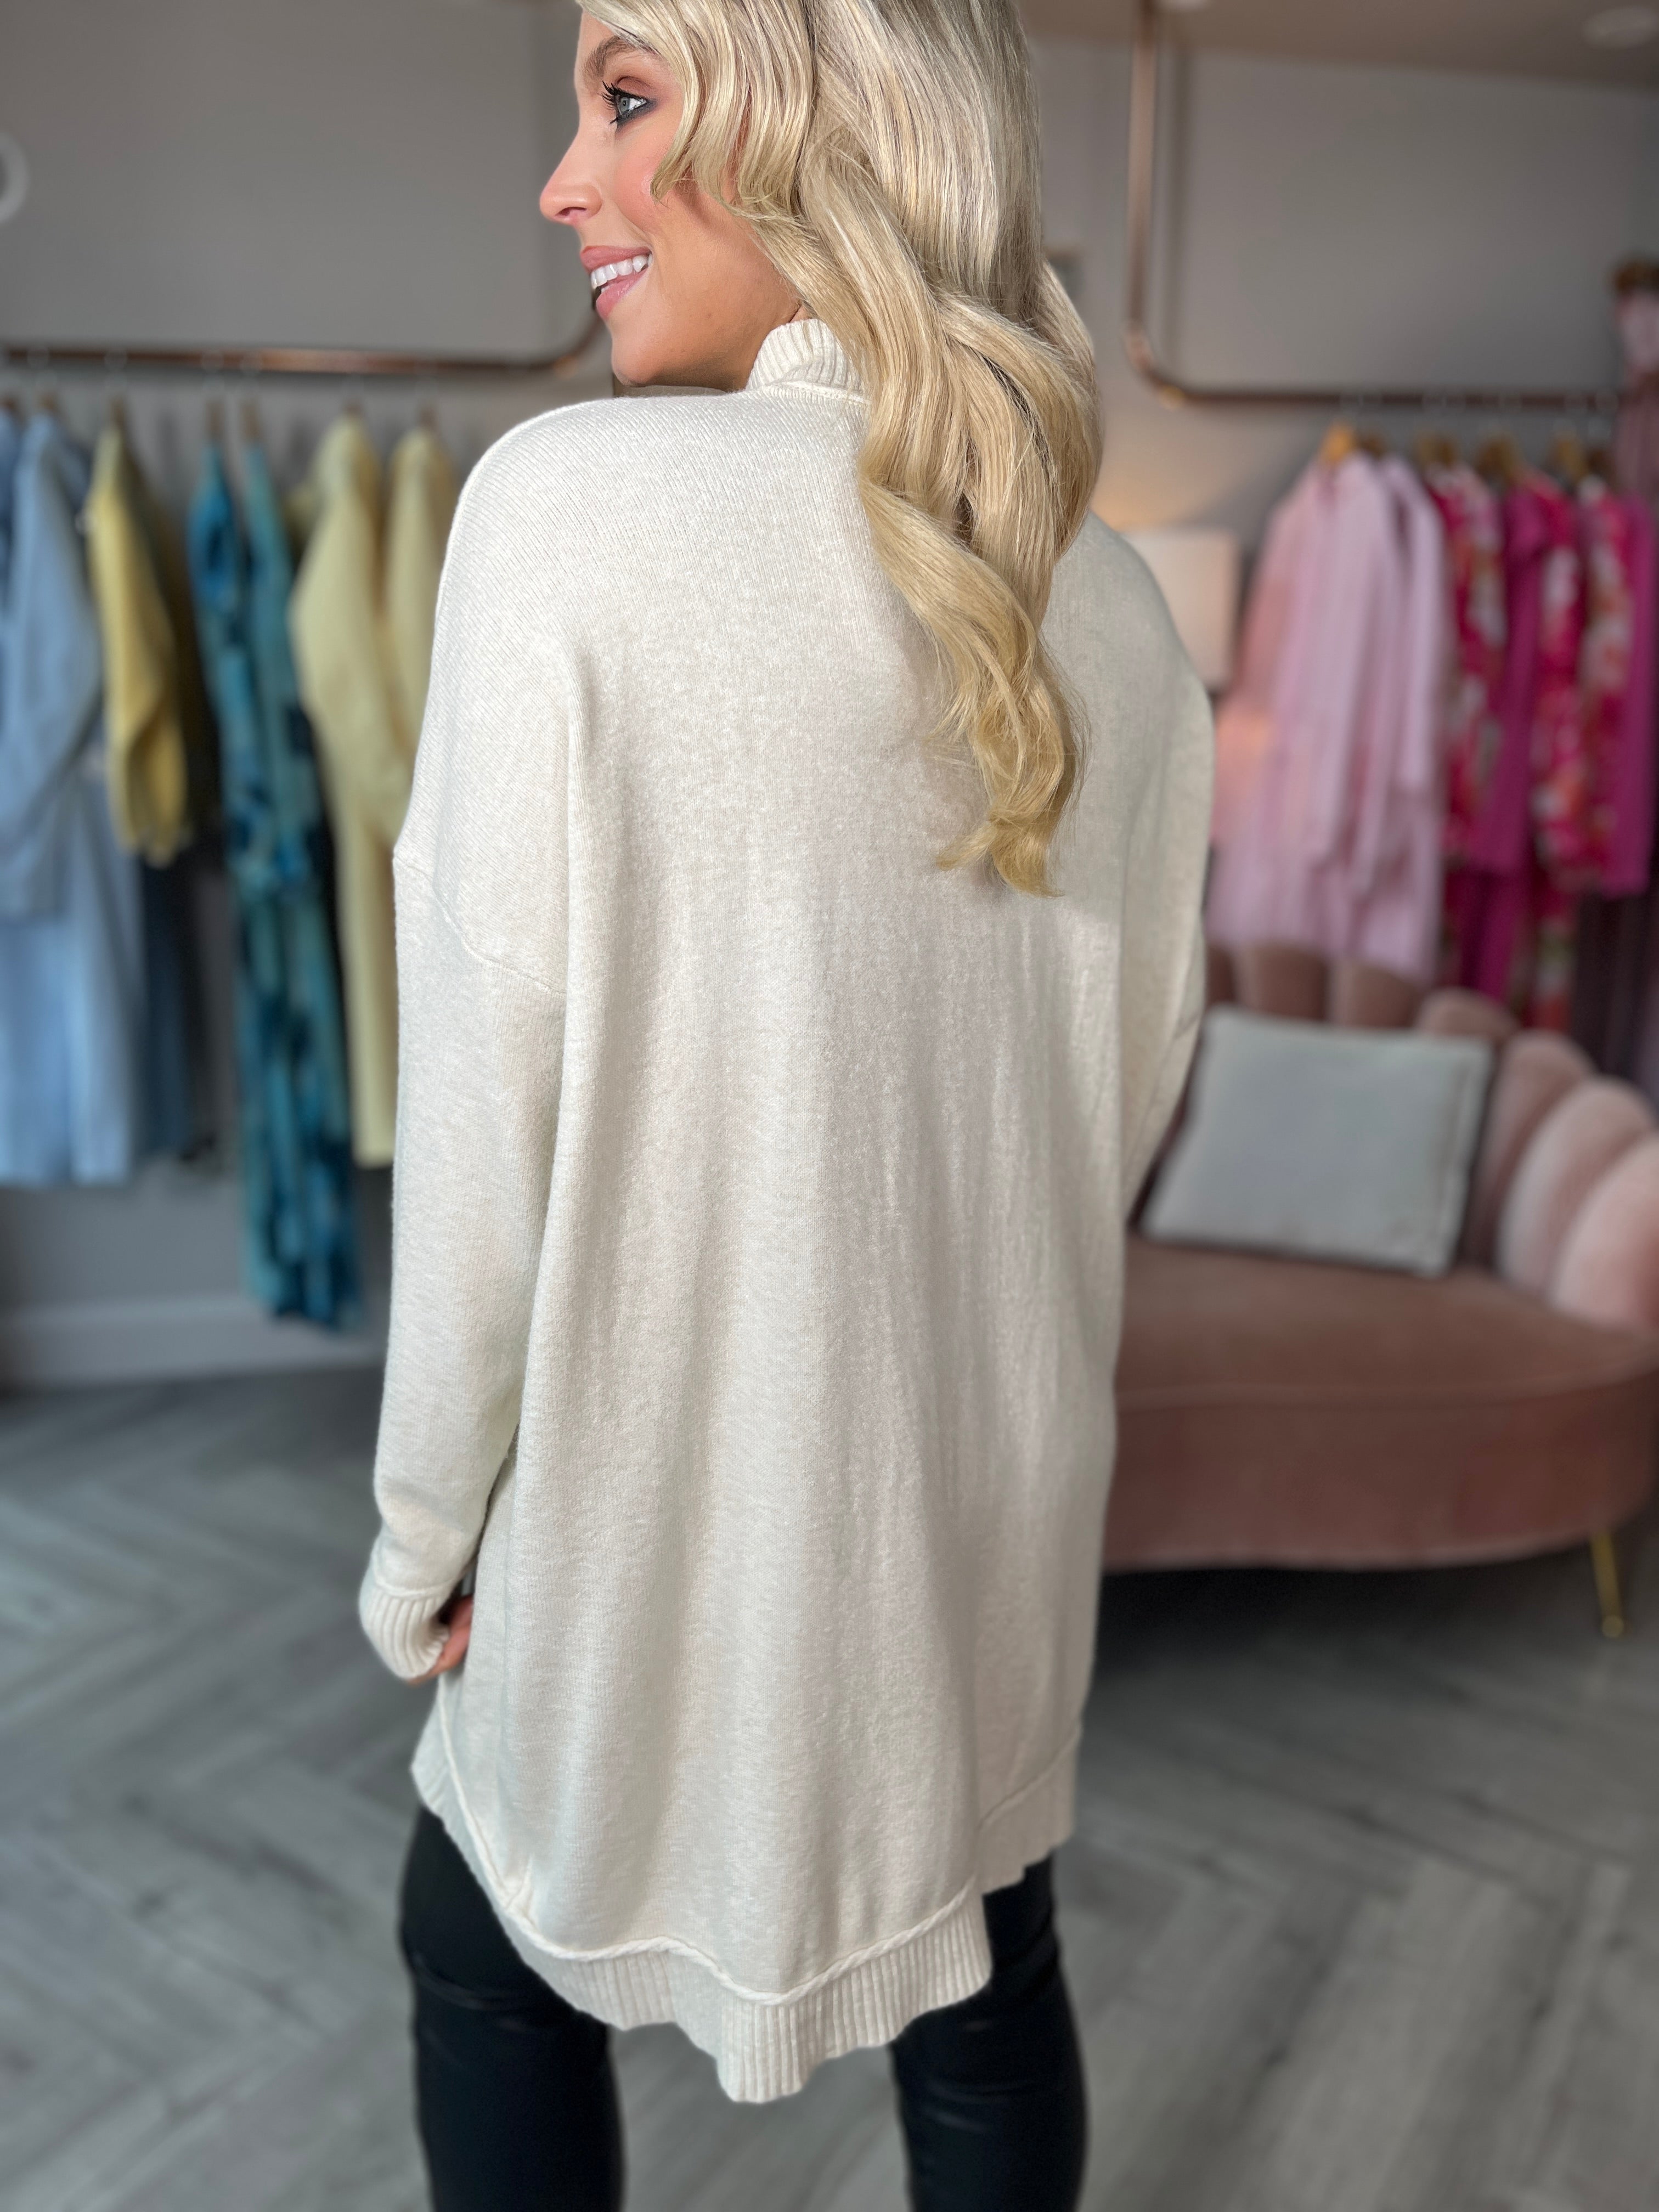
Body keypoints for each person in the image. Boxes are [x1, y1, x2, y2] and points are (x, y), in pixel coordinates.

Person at [357, 2, 1213, 2205]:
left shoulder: (561, 513)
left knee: (483, 1949)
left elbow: (482, 1139)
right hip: (980, 1521)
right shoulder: (1116, 605)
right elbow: (1118, 1117)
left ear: (829, 117)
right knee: (989, 1976)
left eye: (627, 95)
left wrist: (428, 1540)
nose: (563, 180)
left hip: (636, 1531)